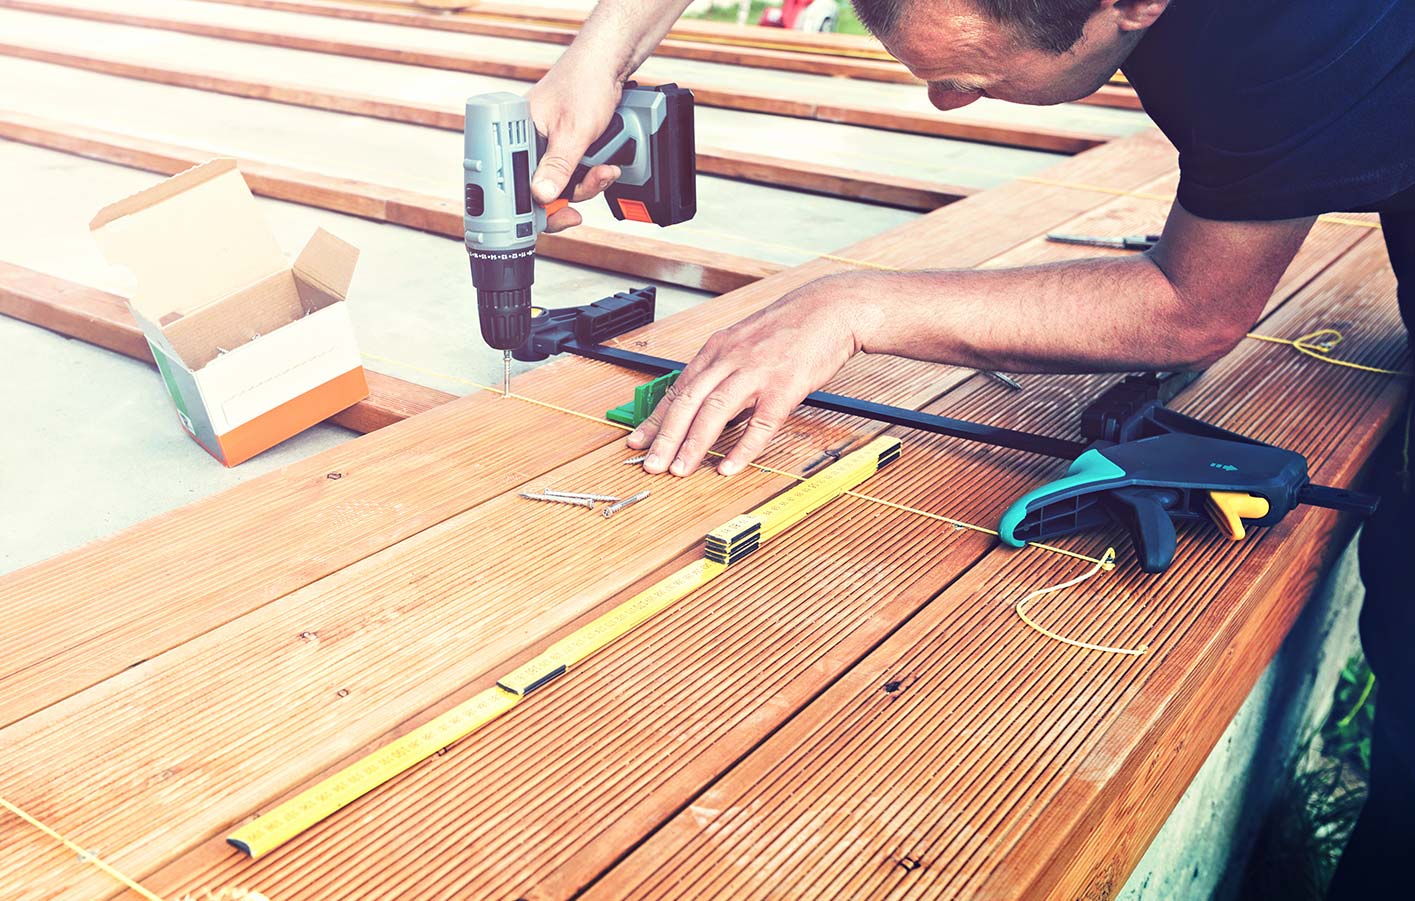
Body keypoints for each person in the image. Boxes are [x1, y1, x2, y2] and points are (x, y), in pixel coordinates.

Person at [525, 2, 1413, 891]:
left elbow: (1192, 307)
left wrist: (854, 306)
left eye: (973, 77)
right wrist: (602, 51)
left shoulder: (1283, 30)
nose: (947, 106)